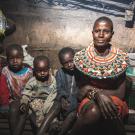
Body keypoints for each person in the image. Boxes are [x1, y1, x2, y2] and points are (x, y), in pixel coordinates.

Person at [71, 16, 129, 135]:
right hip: (89, 101)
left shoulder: (120, 59)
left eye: (106, 31)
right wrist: (97, 95)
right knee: (93, 110)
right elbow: (80, 93)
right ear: (92, 33)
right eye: (97, 31)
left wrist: (92, 90)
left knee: (109, 109)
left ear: (112, 34)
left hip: (114, 100)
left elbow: (120, 93)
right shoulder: (82, 59)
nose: (101, 35)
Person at [16, 56, 58, 135]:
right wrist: (24, 103)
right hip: (35, 101)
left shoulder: (53, 80)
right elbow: (26, 94)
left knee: (52, 110)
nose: (42, 73)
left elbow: (54, 93)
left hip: (49, 100)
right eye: (39, 71)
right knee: (37, 109)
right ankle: (41, 127)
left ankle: (54, 124)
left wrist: (47, 105)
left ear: (49, 69)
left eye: (45, 70)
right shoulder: (32, 82)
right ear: (34, 71)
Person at [1, 44, 32, 135]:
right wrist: (4, 104)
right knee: (13, 109)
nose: (15, 61)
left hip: (28, 99)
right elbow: (3, 89)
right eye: (11, 59)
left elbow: (33, 88)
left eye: (18, 58)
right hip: (14, 100)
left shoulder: (29, 71)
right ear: (7, 60)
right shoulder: (5, 71)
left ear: (22, 58)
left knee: (22, 110)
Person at [55, 47, 79, 135]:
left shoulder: (81, 71)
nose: (69, 65)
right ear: (61, 64)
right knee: (56, 105)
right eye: (65, 63)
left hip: (76, 103)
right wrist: (62, 99)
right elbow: (58, 88)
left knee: (72, 114)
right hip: (64, 101)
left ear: (76, 58)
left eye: (71, 61)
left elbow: (82, 91)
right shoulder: (60, 73)